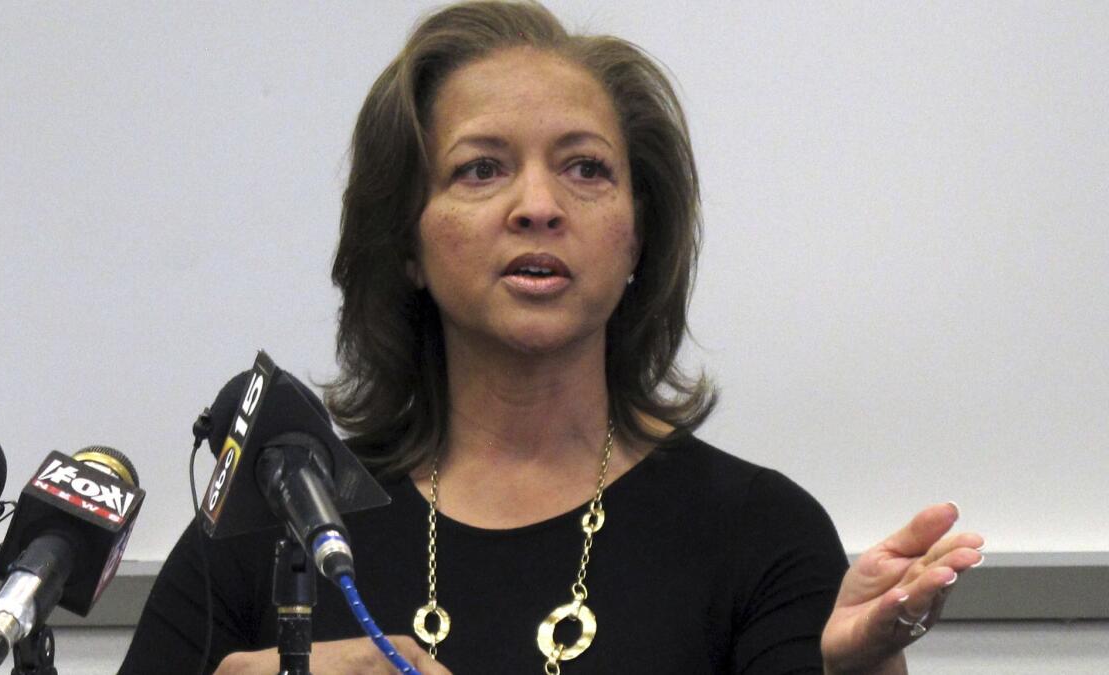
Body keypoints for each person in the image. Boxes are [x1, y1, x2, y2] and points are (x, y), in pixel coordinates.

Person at [120, 2, 984, 673]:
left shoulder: (759, 534)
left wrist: (860, 667)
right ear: (409, 242)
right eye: (481, 168)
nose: (538, 205)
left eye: (585, 168)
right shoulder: (275, 525)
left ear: (639, 239)